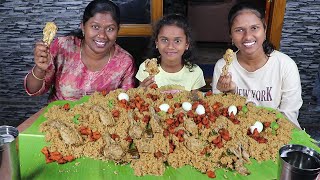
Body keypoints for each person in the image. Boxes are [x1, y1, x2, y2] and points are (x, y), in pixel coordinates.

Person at [211, 2, 303, 127]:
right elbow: (220, 115)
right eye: (239, 30)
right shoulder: (223, 67)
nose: (248, 36)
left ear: (264, 30)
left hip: (278, 131)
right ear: (231, 35)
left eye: (254, 28)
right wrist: (229, 94)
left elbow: (289, 116)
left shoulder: (285, 65)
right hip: (237, 133)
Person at [24, 0, 136, 102]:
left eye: (110, 29)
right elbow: (34, 90)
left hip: (100, 123)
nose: (102, 35)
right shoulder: (63, 47)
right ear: (83, 26)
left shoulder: (124, 62)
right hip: (58, 119)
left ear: (118, 31)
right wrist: (39, 68)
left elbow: (125, 103)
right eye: (95, 27)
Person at [136, 14, 206, 91]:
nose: (170, 46)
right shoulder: (146, 69)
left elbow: (194, 101)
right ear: (156, 43)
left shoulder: (195, 72)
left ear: (186, 44)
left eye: (177, 41)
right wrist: (141, 90)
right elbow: (141, 99)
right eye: (164, 40)